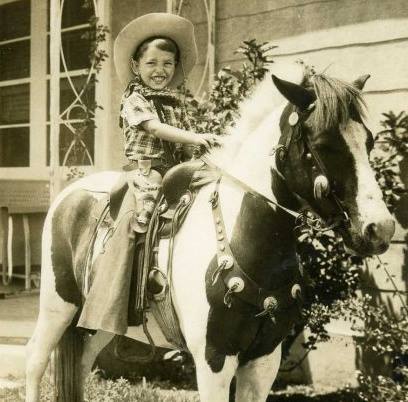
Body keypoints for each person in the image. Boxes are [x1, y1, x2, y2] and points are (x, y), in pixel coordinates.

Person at [114, 12, 221, 232]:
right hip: (148, 167)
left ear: (175, 66)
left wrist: (208, 145)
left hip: (175, 168)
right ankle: (138, 253)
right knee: (146, 206)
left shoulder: (174, 102)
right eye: (151, 63)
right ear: (136, 66)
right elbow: (154, 127)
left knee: (211, 185)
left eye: (167, 64)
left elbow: (188, 139)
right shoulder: (134, 98)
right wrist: (195, 137)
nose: (160, 70)